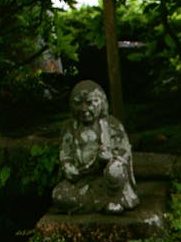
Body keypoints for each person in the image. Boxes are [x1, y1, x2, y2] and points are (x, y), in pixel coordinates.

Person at [52, 80, 139, 214]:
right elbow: (66, 152)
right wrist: (67, 165)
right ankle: (100, 203)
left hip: (105, 180)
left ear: (101, 102)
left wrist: (111, 157)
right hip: (81, 180)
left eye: (90, 103)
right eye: (78, 103)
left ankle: (113, 199)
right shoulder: (69, 127)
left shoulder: (112, 125)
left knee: (115, 170)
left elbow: (124, 151)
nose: (84, 109)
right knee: (59, 195)